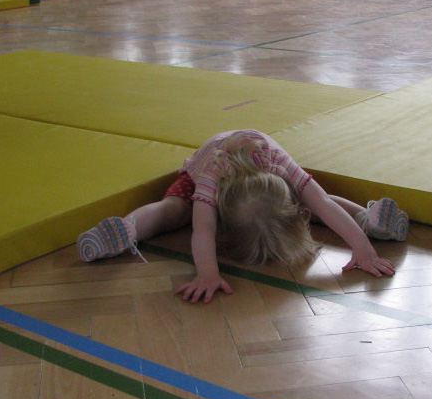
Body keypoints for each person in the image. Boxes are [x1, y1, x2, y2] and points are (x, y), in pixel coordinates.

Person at [77, 129, 408, 303]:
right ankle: (128, 228)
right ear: (225, 219)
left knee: (315, 203)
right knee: (176, 209)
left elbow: (322, 203)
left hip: (263, 178)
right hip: (202, 175)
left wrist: (363, 250)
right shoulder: (210, 177)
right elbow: (203, 230)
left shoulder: (278, 164)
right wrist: (207, 273)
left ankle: (367, 220)